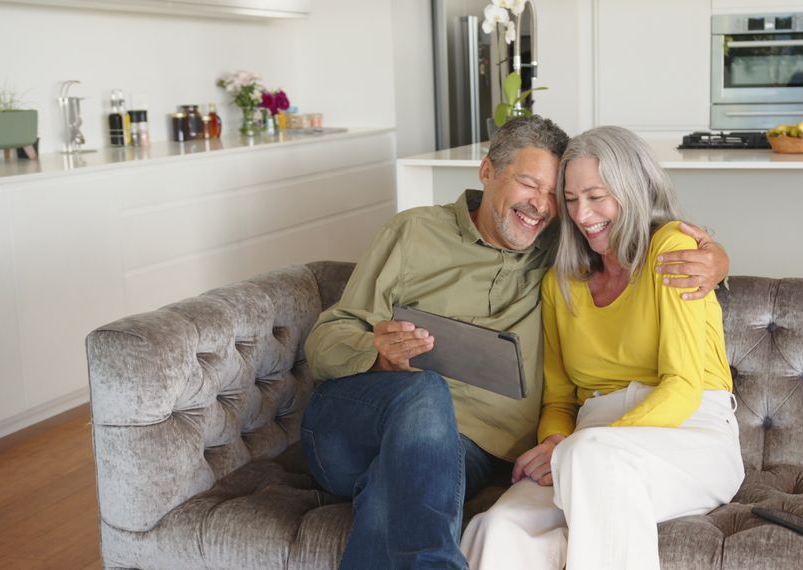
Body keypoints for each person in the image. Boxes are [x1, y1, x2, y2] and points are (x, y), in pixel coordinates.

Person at [301, 115, 730, 569]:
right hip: (366, 421)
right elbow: (326, 339)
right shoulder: (415, 233)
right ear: (487, 171)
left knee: (435, 499)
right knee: (428, 399)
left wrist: (716, 259)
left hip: (474, 448)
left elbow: (647, 236)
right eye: (532, 185)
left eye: (556, 195)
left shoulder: (560, 248)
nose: (546, 207)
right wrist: (377, 355)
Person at [460, 126, 745, 570]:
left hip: (687, 435)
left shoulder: (670, 249)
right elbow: (559, 400)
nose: (582, 214)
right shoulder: (561, 283)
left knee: (591, 456)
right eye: (571, 199)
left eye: (596, 196)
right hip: (586, 446)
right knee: (495, 527)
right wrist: (556, 441)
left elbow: (683, 386)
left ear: (633, 191)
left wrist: (576, 448)